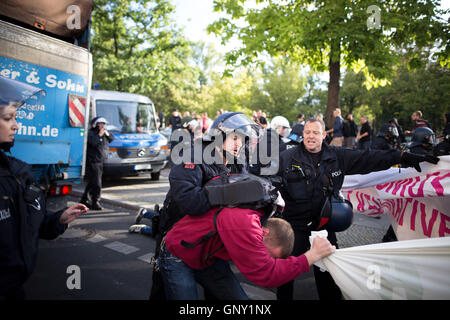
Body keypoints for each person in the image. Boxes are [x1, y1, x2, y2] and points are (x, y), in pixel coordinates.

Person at [276, 117, 440, 300]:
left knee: (329, 277)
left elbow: (369, 158)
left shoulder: (337, 156)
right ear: (302, 135)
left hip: (323, 227)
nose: (311, 136)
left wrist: (402, 157)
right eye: (307, 132)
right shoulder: (286, 158)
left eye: (315, 132)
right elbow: (265, 179)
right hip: (294, 227)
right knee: (285, 274)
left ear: (323, 135)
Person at [158, 172, 335, 300]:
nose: (265, 257)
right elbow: (266, 274)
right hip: (178, 255)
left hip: (206, 257)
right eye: (270, 255)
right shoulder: (246, 224)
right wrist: (311, 256)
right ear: (265, 233)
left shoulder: (258, 218)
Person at [149, 112, 261, 300]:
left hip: (210, 245)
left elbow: (243, 196)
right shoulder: (193, 156)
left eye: (242, 140)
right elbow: (189, 200)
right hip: (177, 242)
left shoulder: (237, 163)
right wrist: (228, 194)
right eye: (234, 138)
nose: (238, 144)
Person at [0, 76, 88, 300]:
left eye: (16, 118)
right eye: (8, 118)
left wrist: (57, 219)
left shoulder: (17, 171)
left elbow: (29, 223)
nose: (16, 125)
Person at [80, 116, 114, 210]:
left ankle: (84, 199)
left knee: (92, 181)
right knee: (97, 183)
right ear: (95, 124)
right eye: (100, 124)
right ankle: (95, 201)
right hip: (93, 161)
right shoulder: (91, 133)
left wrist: (106, 134)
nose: (101, 126)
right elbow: (93, 143)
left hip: (100, 160)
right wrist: (99, 135)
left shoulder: (104, 133)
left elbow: (111, 139)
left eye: (103, 124)